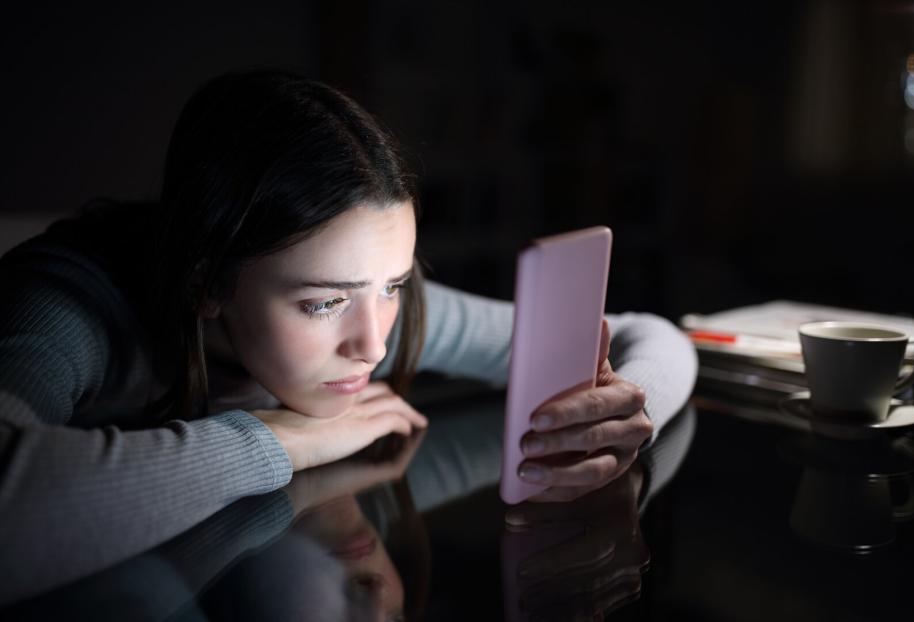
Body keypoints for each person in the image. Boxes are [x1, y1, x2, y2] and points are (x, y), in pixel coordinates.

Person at [0, 69, 697, 605]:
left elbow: (649, 334)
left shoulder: (369, 314)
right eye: (324, 302)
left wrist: (627, 404)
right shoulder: (67, 308)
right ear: (205, 283)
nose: (371, 343)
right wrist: (283, 439)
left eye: (393, 286)